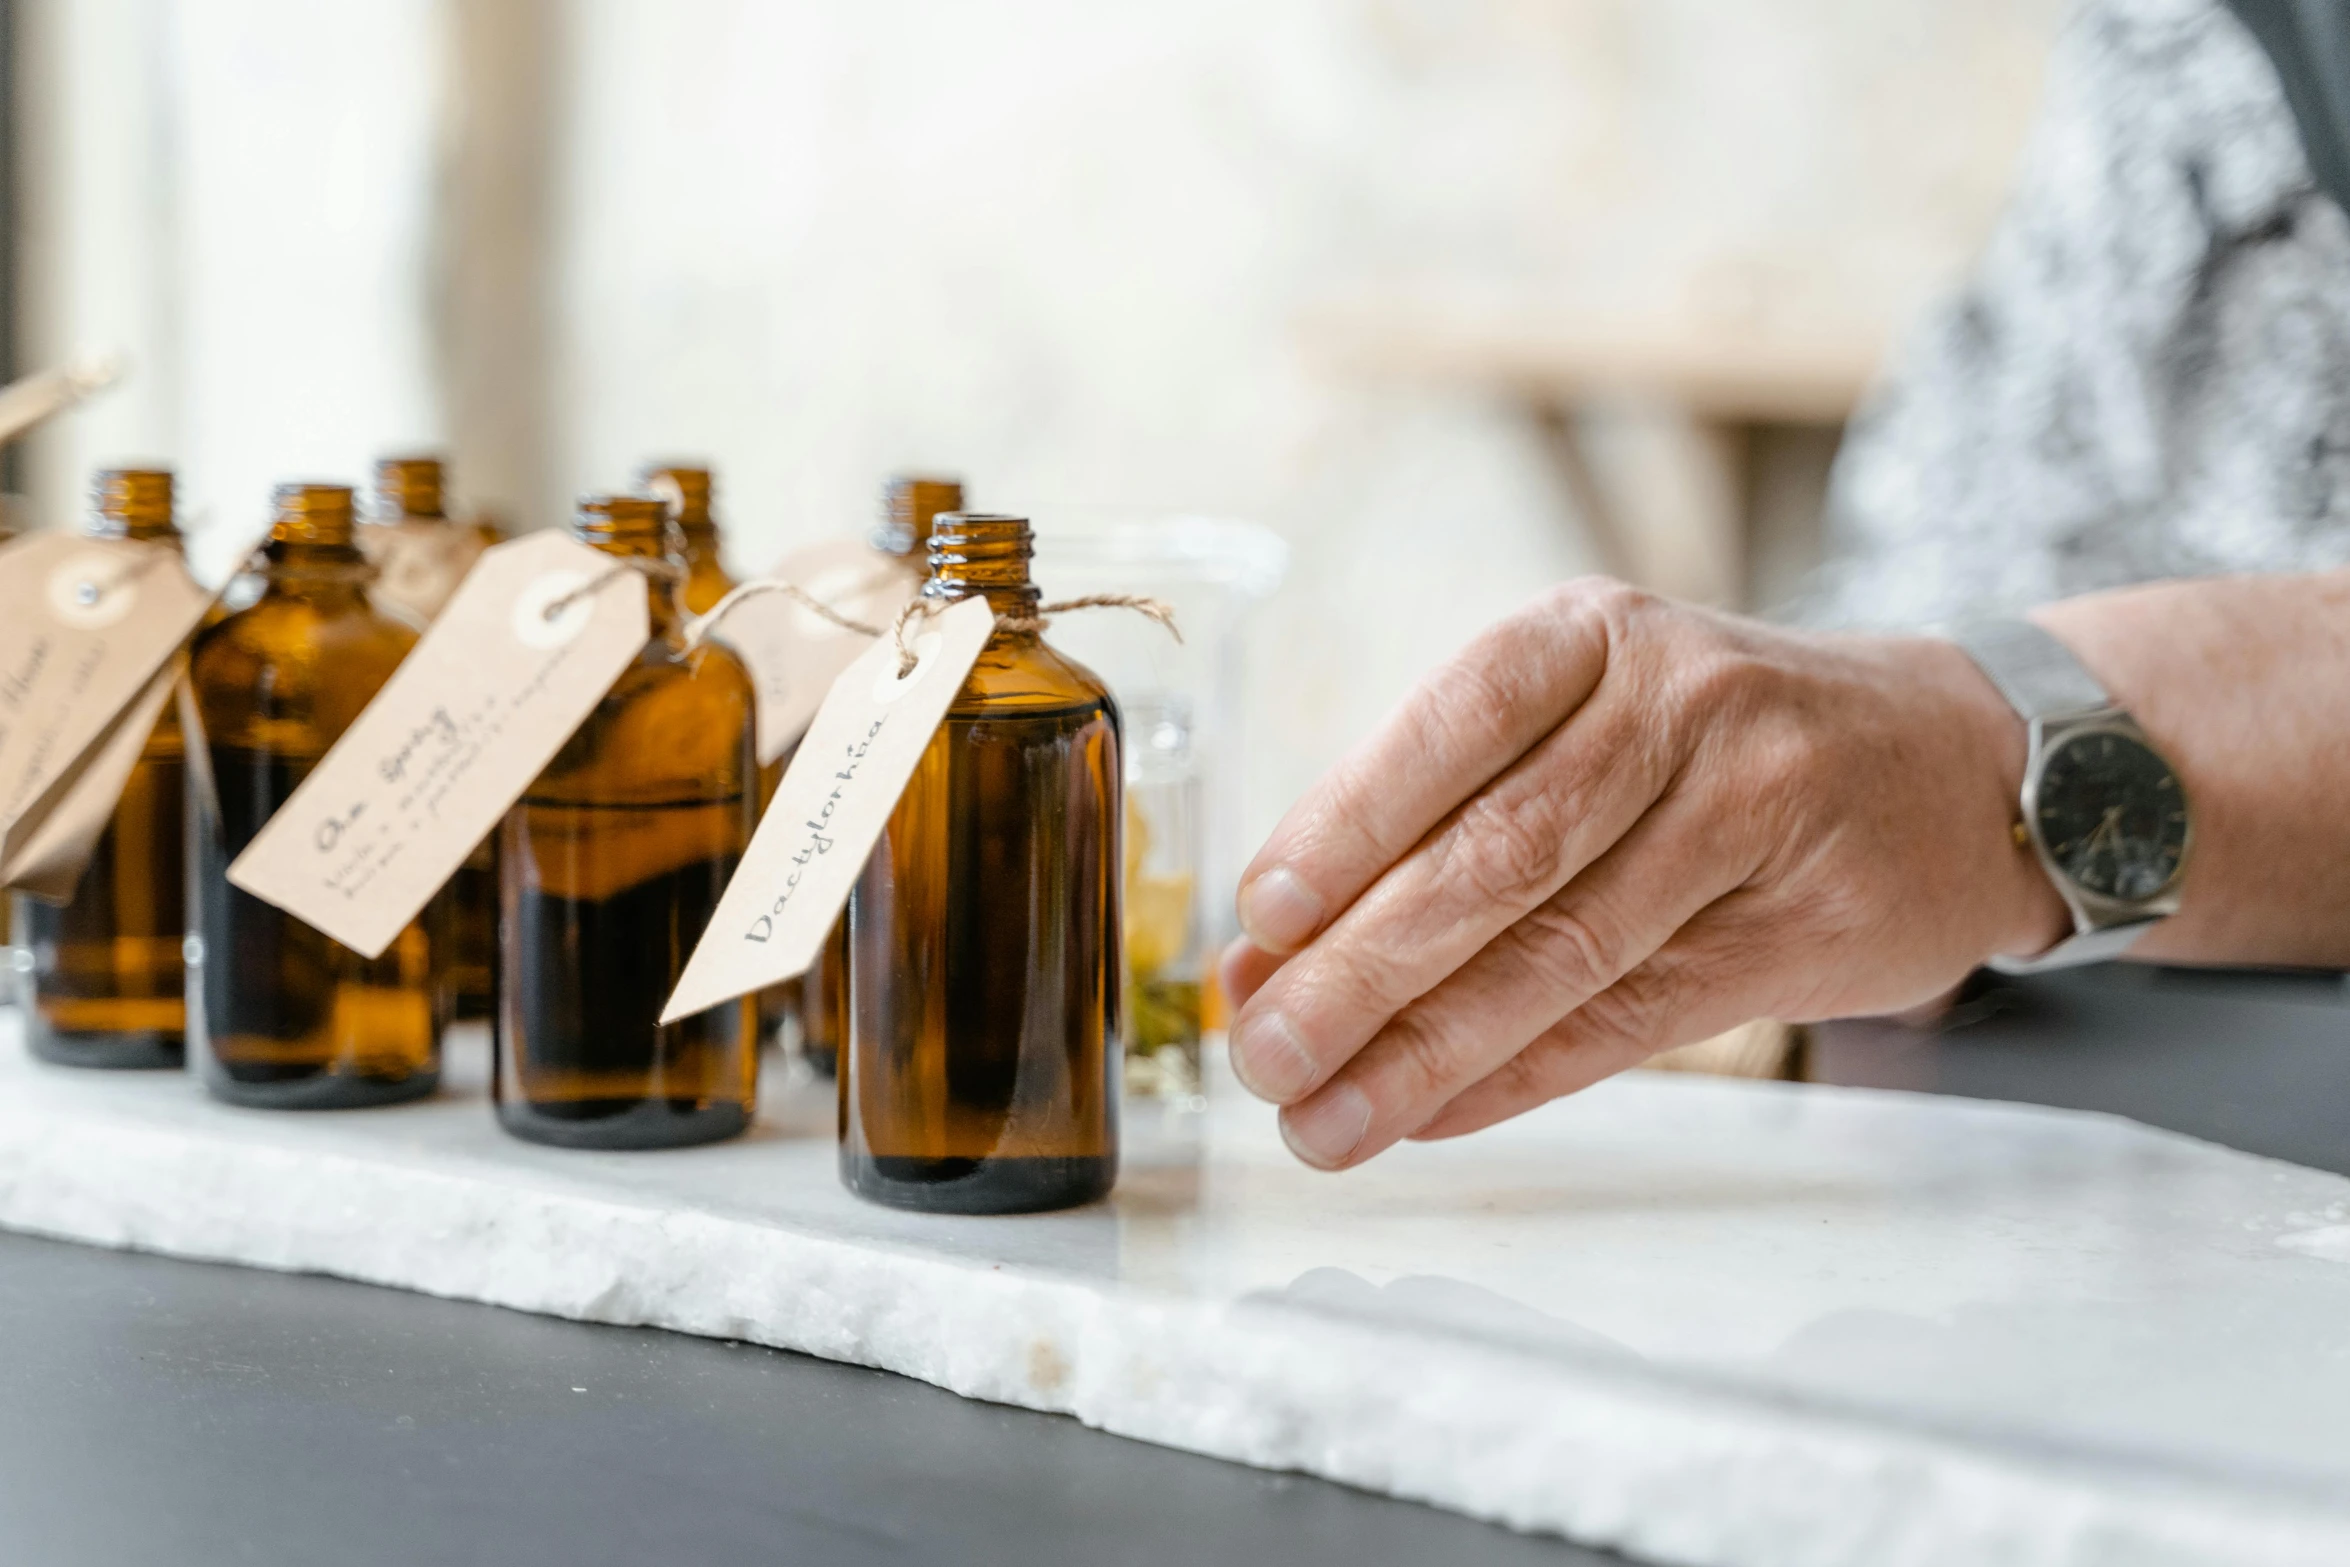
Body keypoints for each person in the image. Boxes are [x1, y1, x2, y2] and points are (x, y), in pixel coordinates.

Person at [1223, 1, 2350, 1170]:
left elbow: (1962, 746)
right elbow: (1995, 486)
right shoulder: (2168, 41)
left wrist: (1976, 768)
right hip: (2001, 1102)